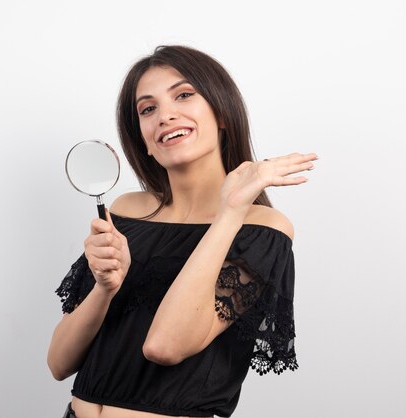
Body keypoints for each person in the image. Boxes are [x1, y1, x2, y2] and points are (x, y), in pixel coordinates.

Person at [47, 45, 317, 418]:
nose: (165, 116)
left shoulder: (262, 228)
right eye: (148, 109)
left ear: (222, 112)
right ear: (141, 136)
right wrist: (105, 289)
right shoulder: (125, 211)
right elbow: (59, 363)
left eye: (184, 95)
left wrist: (230, 210)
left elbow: (165, 345)